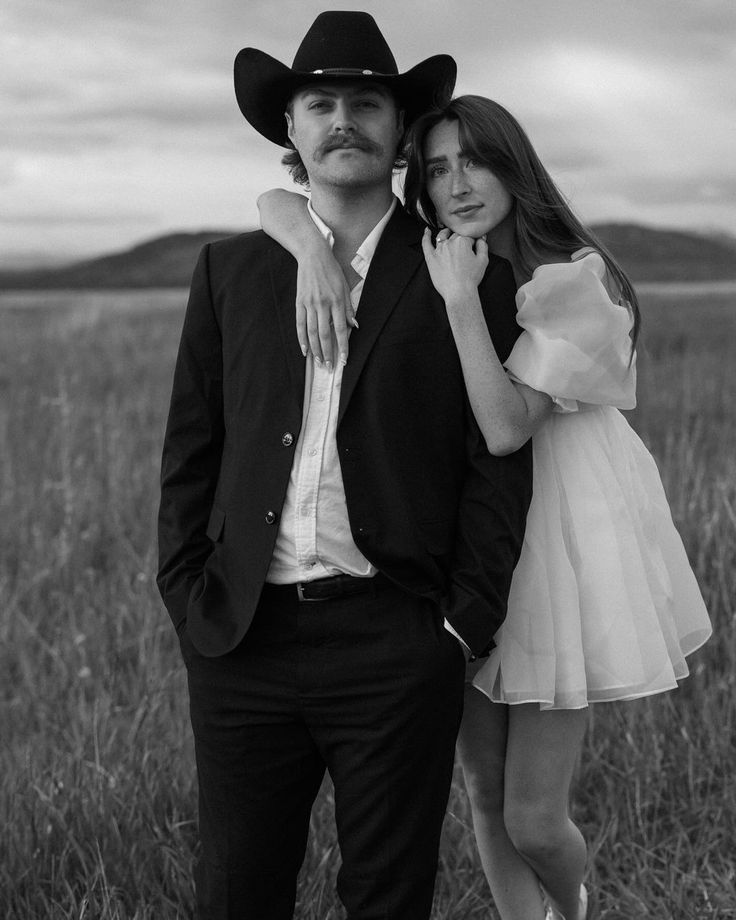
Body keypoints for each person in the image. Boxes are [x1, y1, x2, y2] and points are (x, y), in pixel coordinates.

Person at [257, 95, 713, 920]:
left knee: (533, 817)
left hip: (558, 543)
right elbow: (281, 198)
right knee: (480, 787)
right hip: (464, 539)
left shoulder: (571, 280)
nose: (458, 183)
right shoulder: (442, 256)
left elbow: (505, 429)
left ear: (514, 164)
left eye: (474, 160)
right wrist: (305, 246)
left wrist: (462, 299)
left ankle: (575, 912)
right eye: (436, 168)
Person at [157, 13, 533, 919]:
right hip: (243, 637)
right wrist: (185, 591)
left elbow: (497, 467)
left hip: (399, 640)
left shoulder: (466, 274)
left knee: (387, 897)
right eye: (319, 102)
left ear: (401, 128)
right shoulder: (232, 273)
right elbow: (190, 453)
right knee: (235, 894)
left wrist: (458, 630)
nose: (342, 119)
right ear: (290, 130)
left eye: (366, 101)